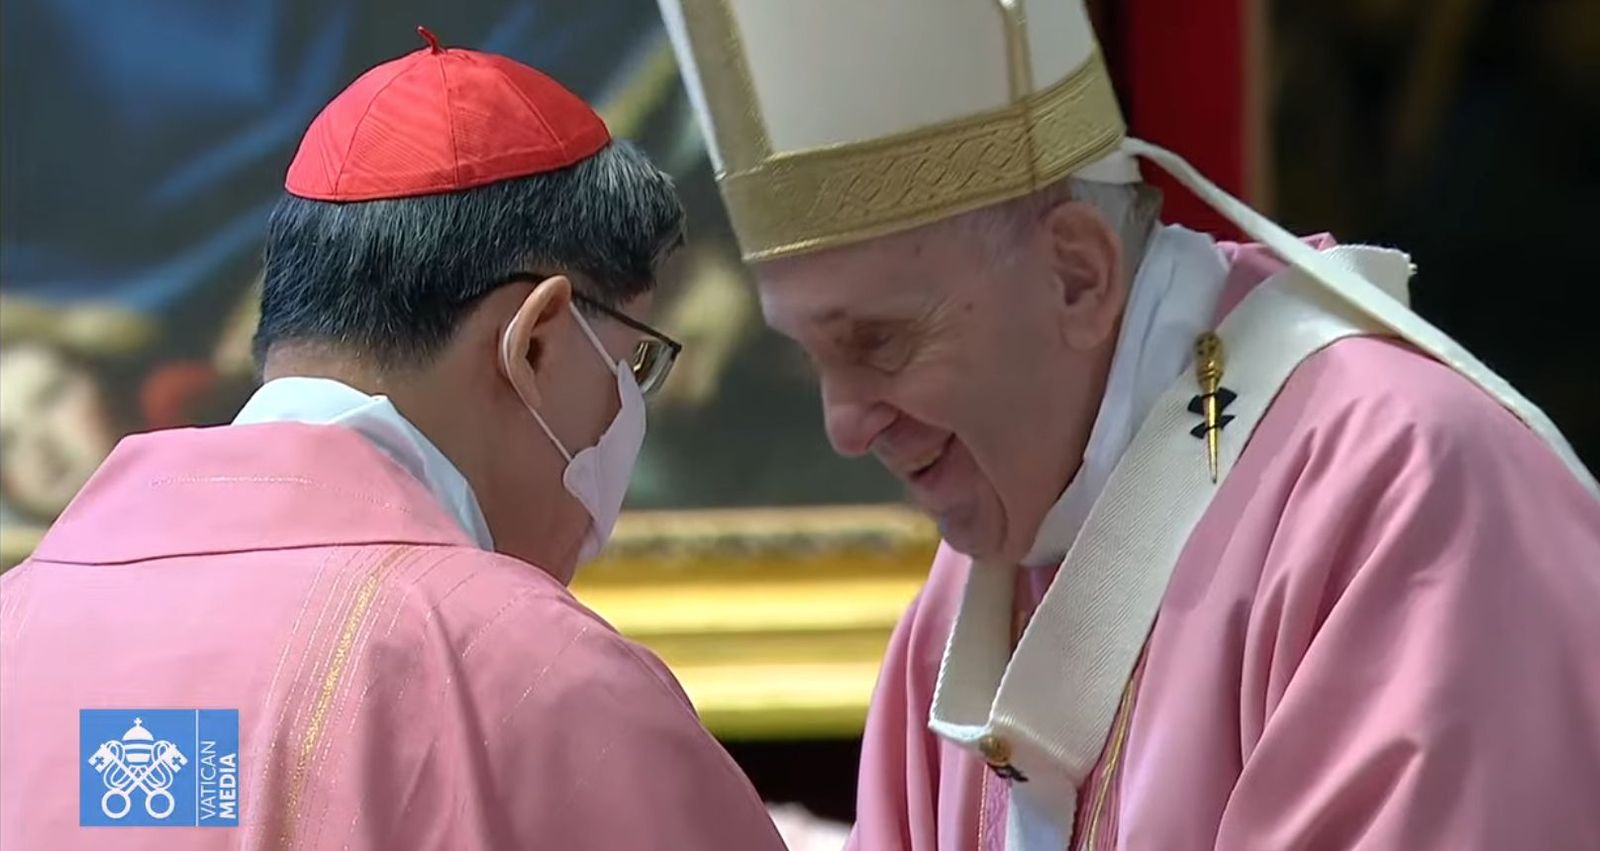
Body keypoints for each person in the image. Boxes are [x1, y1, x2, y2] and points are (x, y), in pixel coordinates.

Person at [655, 1, 1600, 848]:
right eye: (805, 357)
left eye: (879, 341)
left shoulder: (1403, 493)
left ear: (1078, 274)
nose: (843, 425)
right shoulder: (969, 597)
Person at [0, 29, 786, 851]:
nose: (628, 402)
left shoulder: (21, 627)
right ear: (537, 342)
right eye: (633, 362)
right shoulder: (538, 678)